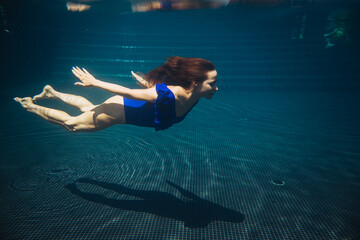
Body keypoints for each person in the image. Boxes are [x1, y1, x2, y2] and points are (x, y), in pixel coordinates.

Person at [14, 56, 218, 132]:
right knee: (72, 125)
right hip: (117, 112)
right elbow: (129, 92)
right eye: (213, 83)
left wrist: (148, 83)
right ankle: (30, 106)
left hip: (119, 106)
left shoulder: (194, 94)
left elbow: (157, 91)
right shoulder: (171, 94)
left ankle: (53, 92)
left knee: (88, 108)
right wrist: (94, 82)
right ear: (196, 82)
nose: (216, 88)